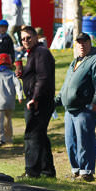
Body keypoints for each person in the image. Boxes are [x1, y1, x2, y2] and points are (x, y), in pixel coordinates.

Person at [58, 32, 96, 181]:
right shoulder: (75, 62)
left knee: (84, 140)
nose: (81, 45)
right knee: (70, 141)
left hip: (85, 108)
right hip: (70, 109)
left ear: (90, 43)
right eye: (79, 42)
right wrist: (56, 100)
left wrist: (95, 103)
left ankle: (86, 171)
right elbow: (66, 85)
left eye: (84, 42)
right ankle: (76, 170)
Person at [19, 25, 57, 178]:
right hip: (39, 99)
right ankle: (47, 170)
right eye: (23, 39)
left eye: (28, 38)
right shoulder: (33, 53)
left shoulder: (40, 52)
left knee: (32, 135)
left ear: (36, 37)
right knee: (40, 135)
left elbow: (43, 77)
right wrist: (22, 75)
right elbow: (36, 76)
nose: (26, 41)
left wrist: (34, 98)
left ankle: (32, 171)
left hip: (39, 101)